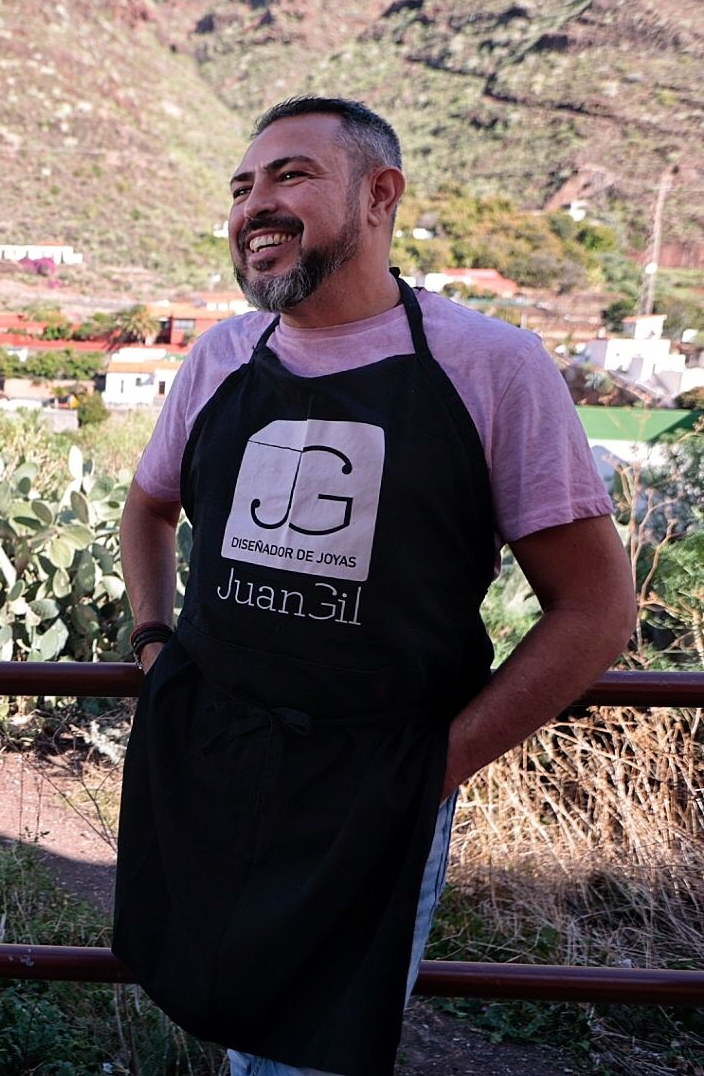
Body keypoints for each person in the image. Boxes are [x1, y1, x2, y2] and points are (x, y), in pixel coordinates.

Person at [112, 95, 636, 1076]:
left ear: (381, 194)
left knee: (311, 1055)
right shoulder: (222, 356)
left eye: (291, 177)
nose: (254, 205)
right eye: (241, 187)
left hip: (373, 788)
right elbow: (147, 509)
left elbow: (598, 610)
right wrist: (154, 648)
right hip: (212, 756)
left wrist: (434, 768)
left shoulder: (495, 366)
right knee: (221, 1013)